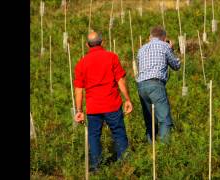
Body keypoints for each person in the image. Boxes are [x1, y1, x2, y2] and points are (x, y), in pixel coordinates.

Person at [73, 31, 133, 173]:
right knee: (118, 133)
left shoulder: (82, 63)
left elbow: (79, 89)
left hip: (94, 107)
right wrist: (128, 99)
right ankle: (125, 166)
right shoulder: (111, 57)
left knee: (94, 136)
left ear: (87, 45)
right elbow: (121, 80)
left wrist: (79, 110)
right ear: (103, 42)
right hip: (112, 103)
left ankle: (96, 167)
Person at [136, 26, 181, 143]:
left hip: (141, 85)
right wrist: (171, 49)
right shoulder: (165, 46)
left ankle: (151, 145)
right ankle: (164, 149)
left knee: (149, 119)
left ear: (150, 37)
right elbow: (176, 66)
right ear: (164, 37)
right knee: (164, 119)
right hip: (156, 84)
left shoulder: (141, 49)